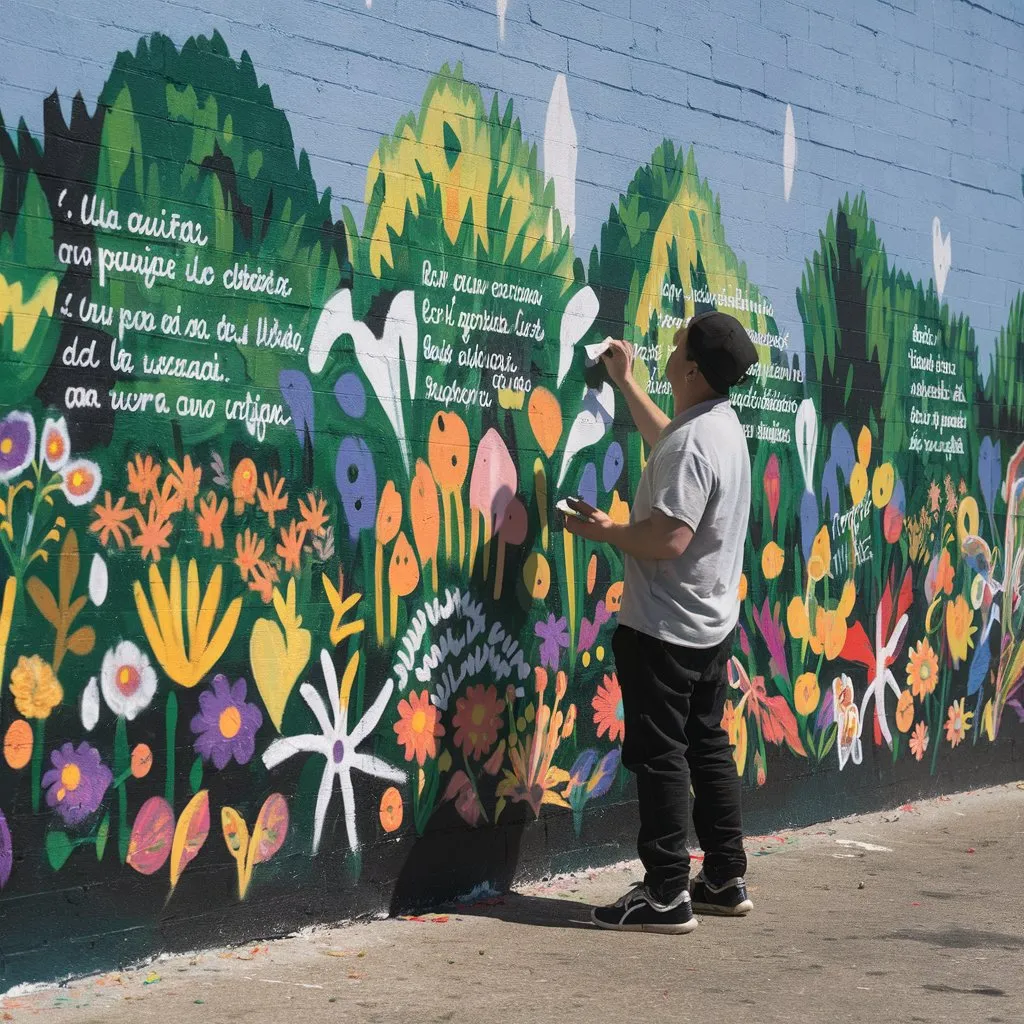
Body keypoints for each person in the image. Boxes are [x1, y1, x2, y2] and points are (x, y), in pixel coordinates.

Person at [564, 310, 758, 934]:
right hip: (708, 628)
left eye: (677, 347)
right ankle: (725, 878)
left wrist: (606, 530)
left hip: (664, 631)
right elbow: (669, 444)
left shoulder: (696, 442)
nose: (668, 351)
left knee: (663, 757)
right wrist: (626, 386)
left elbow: (670, 536)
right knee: (706, 748)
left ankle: (667, 891)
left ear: (694, 369)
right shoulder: (715, 428)